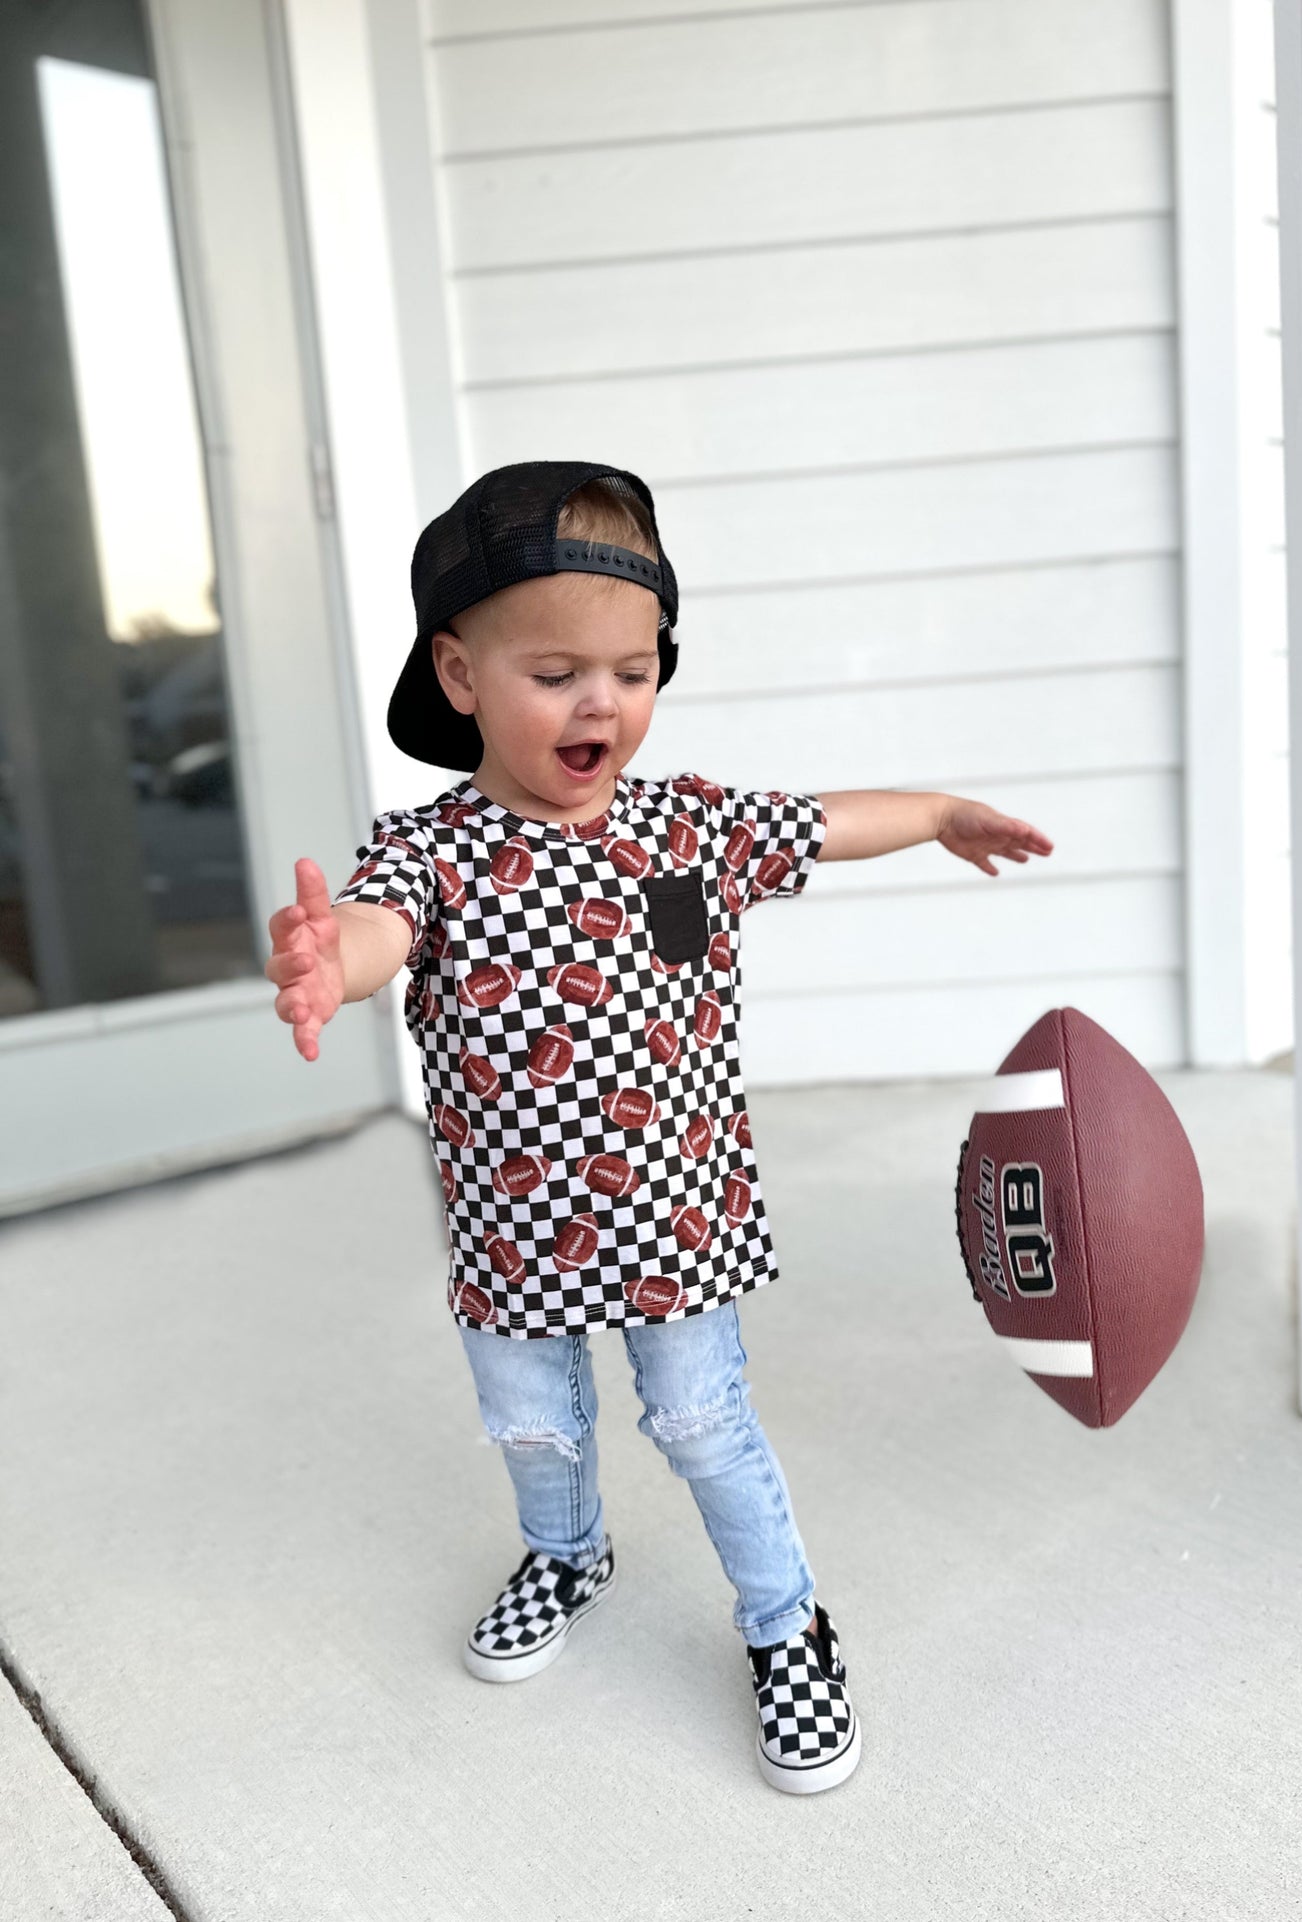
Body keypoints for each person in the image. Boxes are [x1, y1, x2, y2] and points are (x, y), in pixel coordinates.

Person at [264, 460, 1052, 1795]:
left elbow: (820, 824)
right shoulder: (432, 852)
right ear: (460, 677)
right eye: (557, 670)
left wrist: (929, 816)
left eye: (633, 671)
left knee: (701, 1419)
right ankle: (567, 1551)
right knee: (533, 1425)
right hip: (512, 1225)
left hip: (677, 1222)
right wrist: (322, 959)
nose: (601, 703)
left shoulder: (690, 828)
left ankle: (785, 1622)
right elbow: (373, 932)